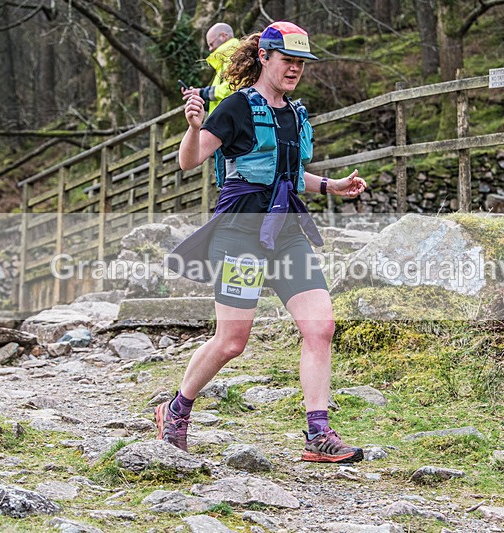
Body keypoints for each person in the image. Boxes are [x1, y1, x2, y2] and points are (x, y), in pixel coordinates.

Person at [157, 21, 368, 463]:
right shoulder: (234, 107)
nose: (294, 69)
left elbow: (286, 175)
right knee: (232, 341)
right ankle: (176, 410)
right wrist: (194, 126)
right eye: (287, 60)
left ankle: (318, 433)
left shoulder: (294, 113)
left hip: (286, 233)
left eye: (301, 63)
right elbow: (189, 160)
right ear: (264, 58)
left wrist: (331, 185)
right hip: (239, 237)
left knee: (320, 326)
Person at [183, 22, 240, 113]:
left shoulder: (235, 55)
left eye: (211, 44)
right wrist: (201, 99)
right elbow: (221, 97)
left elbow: (231, 88)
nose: (210, 49)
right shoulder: (226, 58)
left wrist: (202, 93)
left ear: (223, 36)